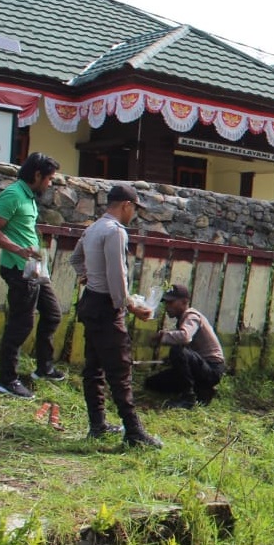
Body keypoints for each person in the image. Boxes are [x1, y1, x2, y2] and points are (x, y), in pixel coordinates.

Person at [69, 184, 162, 448]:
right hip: (107, 307)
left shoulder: (93, 228)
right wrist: (130, 306)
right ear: (126, 205)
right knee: (120, 370)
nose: (132, 215)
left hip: (90, 302)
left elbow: (76, 259)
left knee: (94, 368)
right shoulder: (115, 232)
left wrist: (86, 276)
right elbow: (116, 275)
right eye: (134, 209)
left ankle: (97, 425)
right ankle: (134, 431)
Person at [0, 153, 64, 399]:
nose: (50, 184)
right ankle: (6, 380)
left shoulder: (29, 197)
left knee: (52, 314)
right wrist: (18, 250)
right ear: (37, 175)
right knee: (22, 323)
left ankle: (44, 368)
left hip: (34, 269)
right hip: (18, 269)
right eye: (49, 178)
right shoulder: (13, 195)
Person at [145, 284, 227, 409]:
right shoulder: (182, 319)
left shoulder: (191, 316)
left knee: (177, 350)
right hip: (201, 367)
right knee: (151, 383)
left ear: (184, 302)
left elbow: (185, 336)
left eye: (171, 303)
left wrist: (162, 337)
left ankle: (188, 399)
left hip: (212, 369)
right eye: (166, 303)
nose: (167, 307)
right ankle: (201, 390)